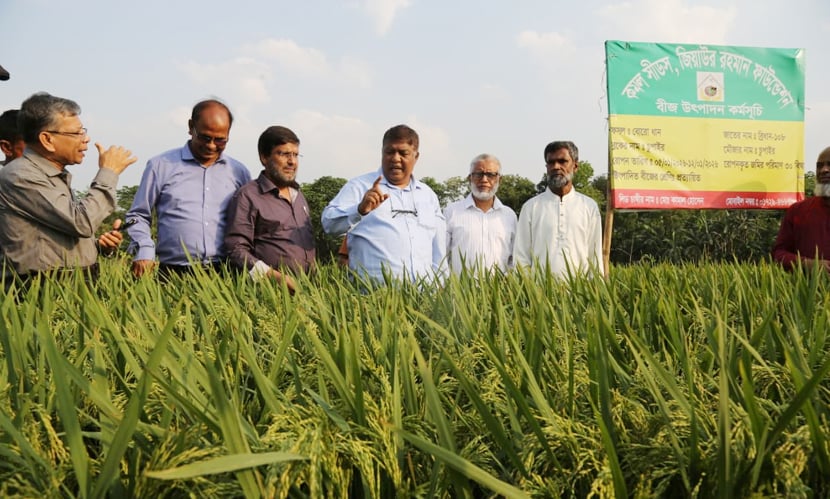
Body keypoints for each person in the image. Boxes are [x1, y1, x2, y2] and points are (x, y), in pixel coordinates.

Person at [0, 92, 136, 282]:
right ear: (47, 139)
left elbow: (52, 241)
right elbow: (81, 222)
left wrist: (97, 246)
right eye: (76, 133)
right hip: (42, 291)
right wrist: (109, 172)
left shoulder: (53, 174)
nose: (85, 139)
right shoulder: (21, 175)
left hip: (74, 285)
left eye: (83, 131)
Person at [126, 99, 251, 277]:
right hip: (174, 271)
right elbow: (137, 215)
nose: (211, 145)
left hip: (226, 271)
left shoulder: (239, 172)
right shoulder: (161, 165)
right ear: (191, 126)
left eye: (220, 140)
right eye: (205, 137)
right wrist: (145, 249)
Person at [321, 124, 446, 283]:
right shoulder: (359, 187)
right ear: (382, 153)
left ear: (416, 156)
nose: (395, 158)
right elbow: (329, 224)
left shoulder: (428, 195)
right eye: (389, 152)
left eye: (403, 153)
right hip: (373, 298)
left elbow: (438, 250)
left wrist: (441, 285)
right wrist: (359, 210)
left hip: (423, 298)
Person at [224, 126, 315, 292]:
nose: (292, 161)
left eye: (295, 155)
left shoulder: (299, 196)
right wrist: (273, 276)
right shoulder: (248, 196)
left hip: (307, 292)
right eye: (284, 154)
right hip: (268, 293)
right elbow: (236, 249)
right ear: (264, 157)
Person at [513, 140, 603, 277]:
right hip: (539, 293)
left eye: (562, 161)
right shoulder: (531, 207)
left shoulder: (589, 207)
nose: (556, 166)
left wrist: (595, 292)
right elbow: (521, 257)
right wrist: (528, 293)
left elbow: (595, 255)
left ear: (575, 166)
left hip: (580, 292)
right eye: (551, 162)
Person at [443, 153, 517, 275]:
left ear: (499, 179)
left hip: (500, 291)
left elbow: (514, 258)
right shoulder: (452, 212)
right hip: (460, 291)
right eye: (478, 174)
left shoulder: (509, 216)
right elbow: (442, 255)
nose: (484, 180)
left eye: (491, 175)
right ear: (469, 178)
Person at [772, 147, 830, 272]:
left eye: (829, 165)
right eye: (820, 166)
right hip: (806, 290)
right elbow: (779, 253)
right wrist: (807, 264)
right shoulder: (797, 211)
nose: (824, 170)